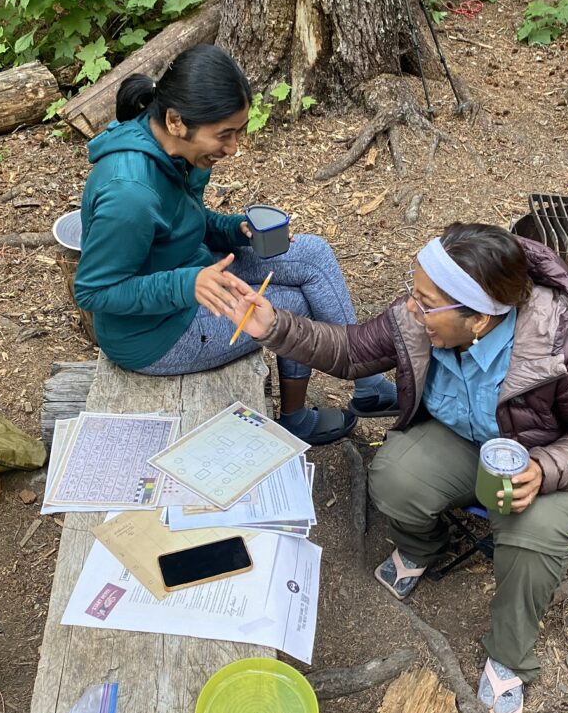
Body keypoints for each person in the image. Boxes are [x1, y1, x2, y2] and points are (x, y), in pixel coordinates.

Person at [225, 222, 568, 713]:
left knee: (531, 543)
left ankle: (510, 654)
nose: (410, 309)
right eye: (413, 292)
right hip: (464, 438)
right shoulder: (416, 318)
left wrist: (545, 469)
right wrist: (275, 327)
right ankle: (424, 547)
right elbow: (353, 351)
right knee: (396, 475)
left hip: (541, 452)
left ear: (480, 320)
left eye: (425, 301)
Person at [73, 44, 397, 444]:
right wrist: (186, 284)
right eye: (224, 135)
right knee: (287, 307)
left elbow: (182, 221)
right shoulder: (130, 195)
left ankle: (369, 386)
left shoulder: (170, 147)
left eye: (238, 132)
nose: (233, 148)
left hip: (194, 274)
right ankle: (295, 420)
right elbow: (94, 291)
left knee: (312, 253)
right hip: (155, 335)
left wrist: (233, 229)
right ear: (176, 121)